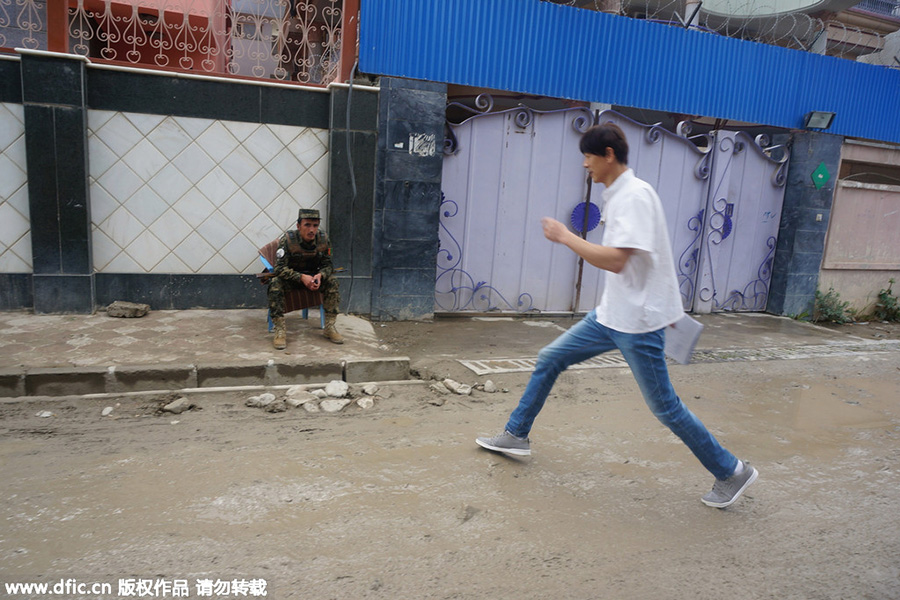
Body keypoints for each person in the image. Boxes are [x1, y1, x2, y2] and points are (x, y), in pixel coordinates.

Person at [475, 123, 758, 509]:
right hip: (611, 316)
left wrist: (565, 236)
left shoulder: (635, 197)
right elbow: (652, 260)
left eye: (588, 157)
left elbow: (617, 260)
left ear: (608, 154)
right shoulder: (619, 194)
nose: (585, 166)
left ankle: (732, 471)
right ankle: (516, 434)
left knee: (666, 408)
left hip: (637, 324)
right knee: (550, 358)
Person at [267, 208, 343, 348]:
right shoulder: (288, 240)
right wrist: (301, 277)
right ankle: (280, 330)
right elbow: (279, 268)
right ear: (298, 226)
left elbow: (328, 265)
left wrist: (321, 276)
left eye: (315, 225)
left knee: (332, 281)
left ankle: (329, 327)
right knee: (275, 284)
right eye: (307, 225)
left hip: (314, 279)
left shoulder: (324, 240)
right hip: (293, 280)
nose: (312, 230)